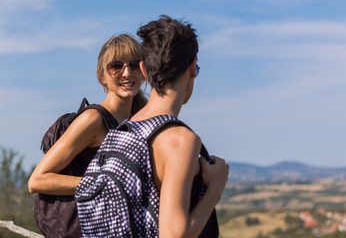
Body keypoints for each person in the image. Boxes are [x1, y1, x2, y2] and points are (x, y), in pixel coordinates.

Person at [28, 34, 147, 237]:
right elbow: (38, 180)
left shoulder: (137, 120)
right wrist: (102, 183)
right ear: (102, 76)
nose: (127, 73)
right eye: (116, 66)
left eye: (135, 65)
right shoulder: (93, 119)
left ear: (144, 72)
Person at [132, 15, 229, 237]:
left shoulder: (124, 130)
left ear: (144, 71)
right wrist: (215, 187)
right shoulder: (180, 139)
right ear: (193, 67)